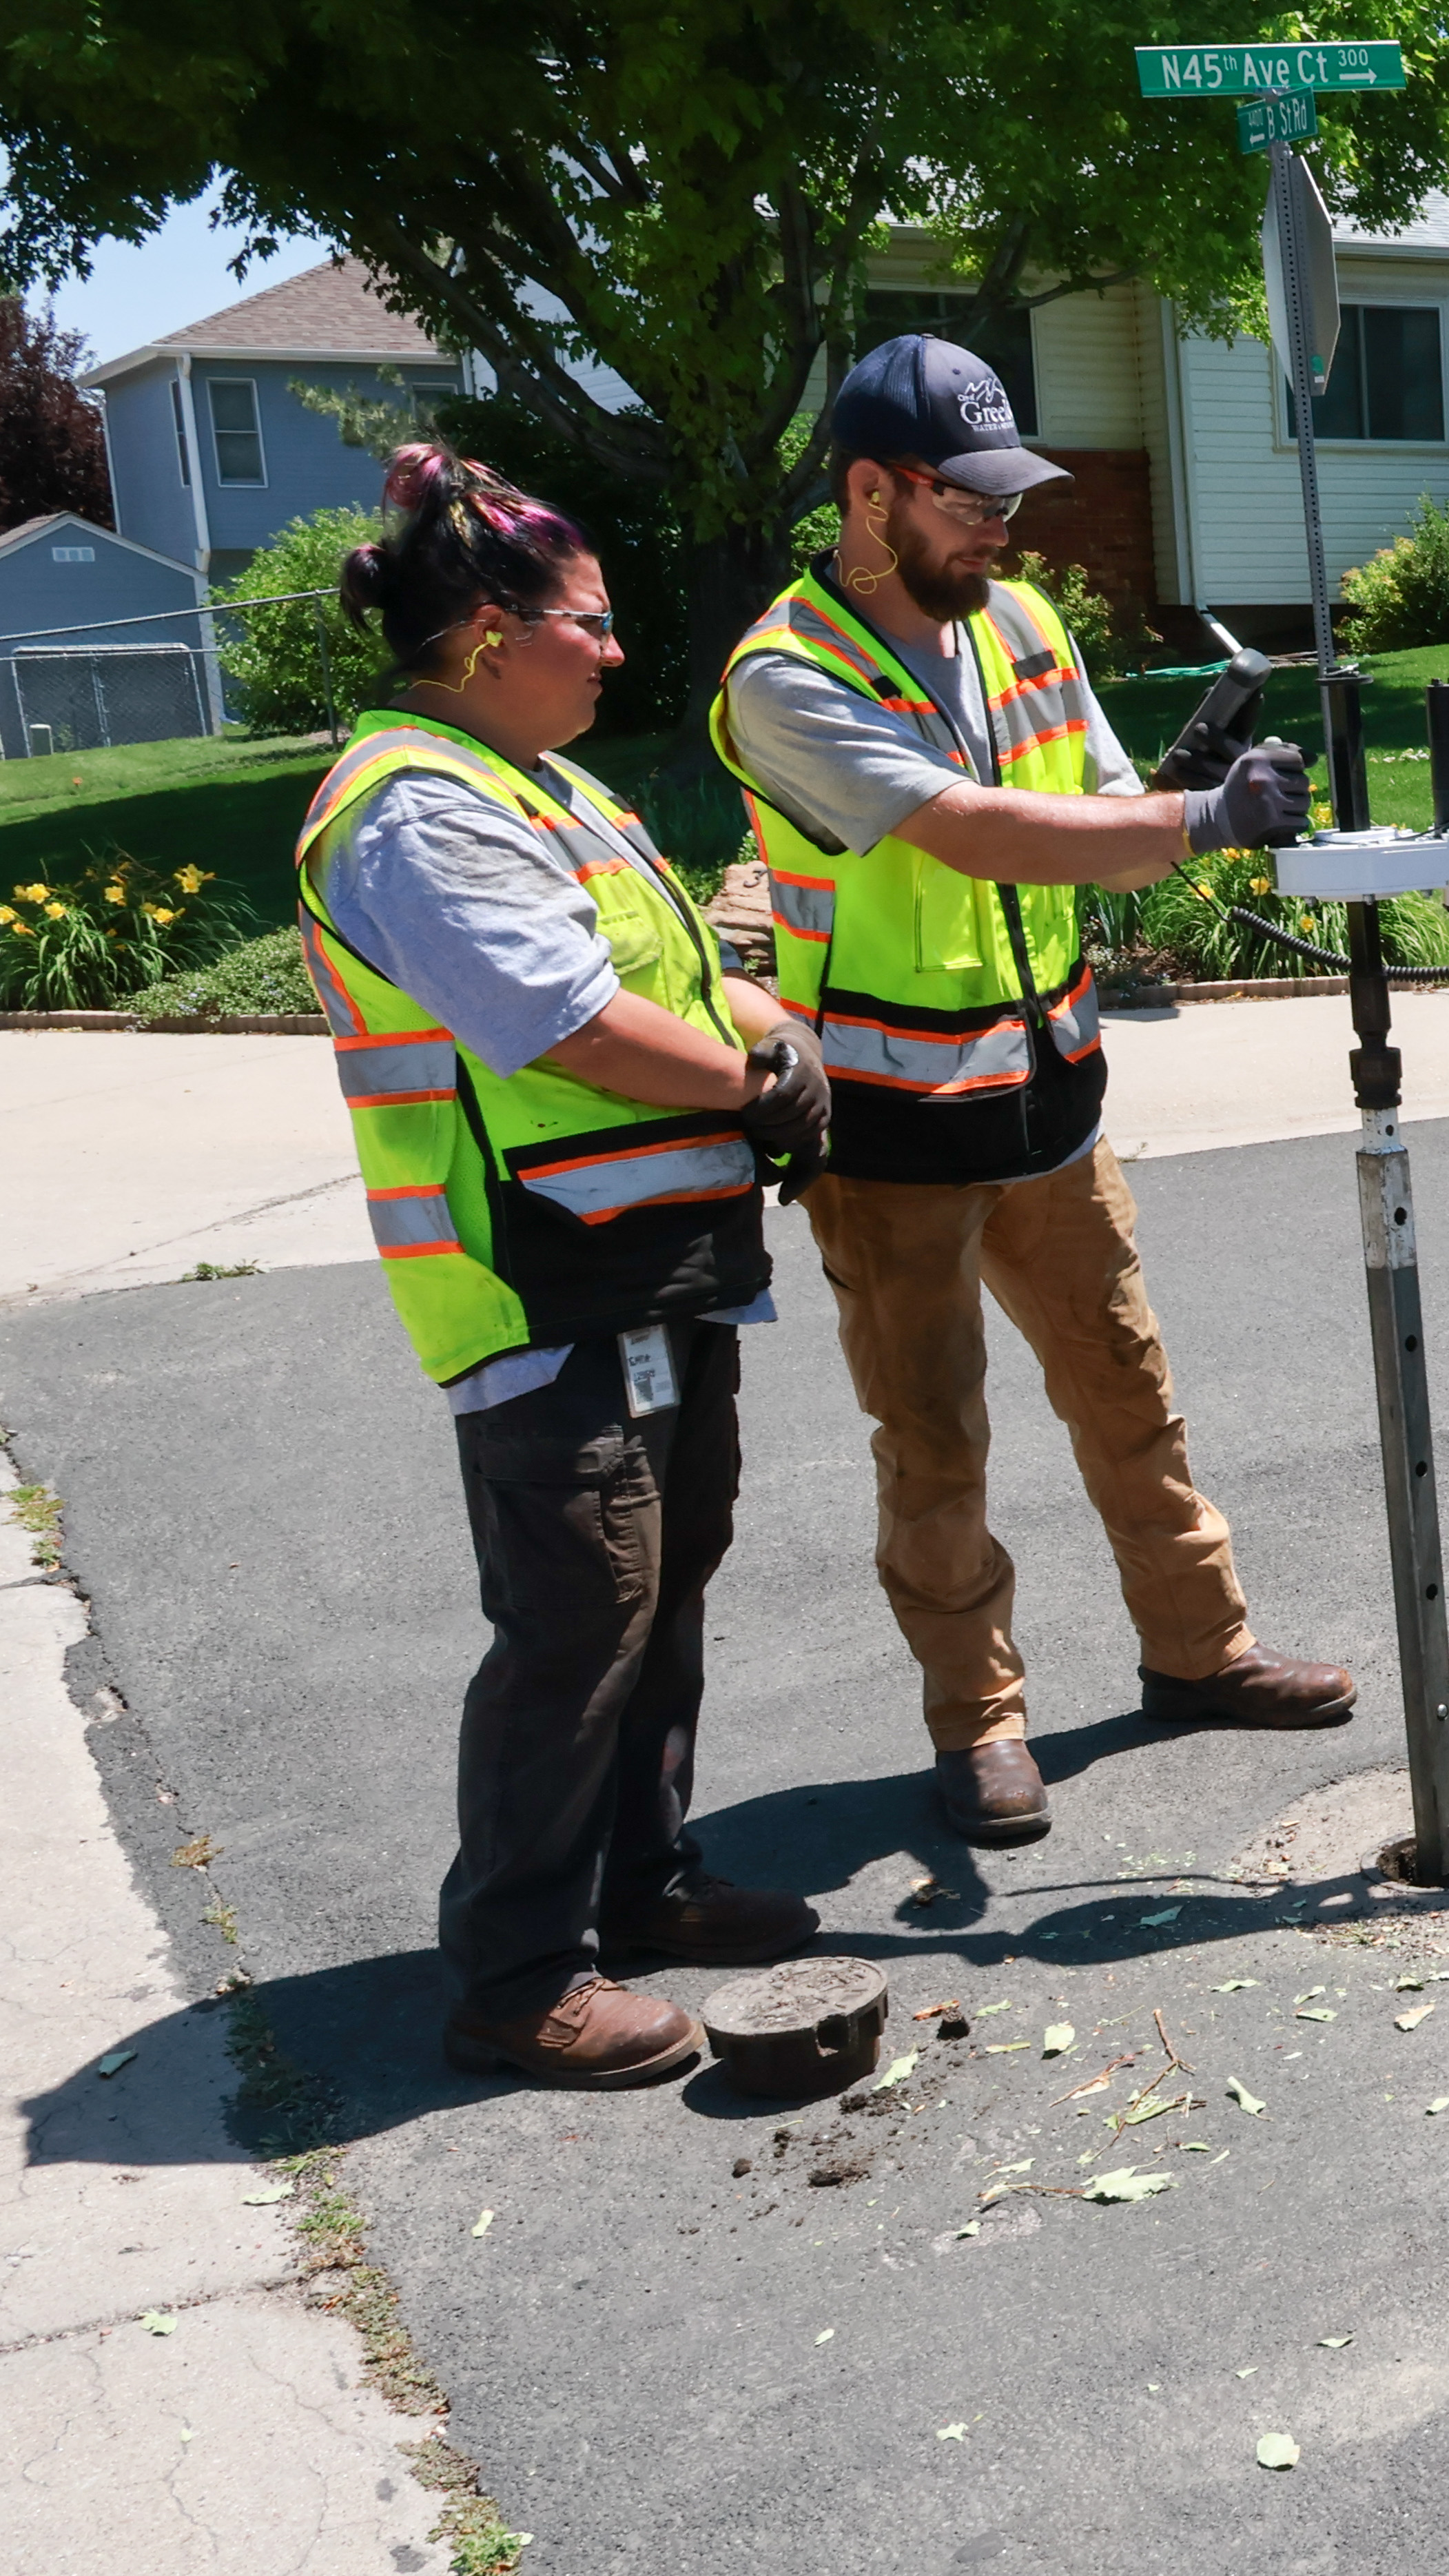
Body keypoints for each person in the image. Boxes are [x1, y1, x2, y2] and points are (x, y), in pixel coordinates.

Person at [708, 335, 1350, 1845]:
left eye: (1011, 498)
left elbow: (1097, 805)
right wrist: (1197, 822)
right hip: (888, 1129)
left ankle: (1203, 1651)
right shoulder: (785, 678)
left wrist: (1187, 791)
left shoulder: (1024, 623)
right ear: (872, 493)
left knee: (1132, 1393)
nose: (1004, 527)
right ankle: (981, 1726)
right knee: (935, 1446)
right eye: (968, 500)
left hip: (1051, 1097)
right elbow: (977, 829)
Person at [302, 448, 830, 2085]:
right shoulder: (416, 809)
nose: (614, 649)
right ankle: (520, 1970)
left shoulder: (544, 784)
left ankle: (642, 1882)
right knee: (579, 1613)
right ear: (480, 635)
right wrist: (753, 1083)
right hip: (532, 1285)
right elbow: (572, 1024)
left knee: (669, 1581)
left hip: (650, 1267)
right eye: (585, 623)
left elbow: (663, 965)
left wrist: (771, 1030)